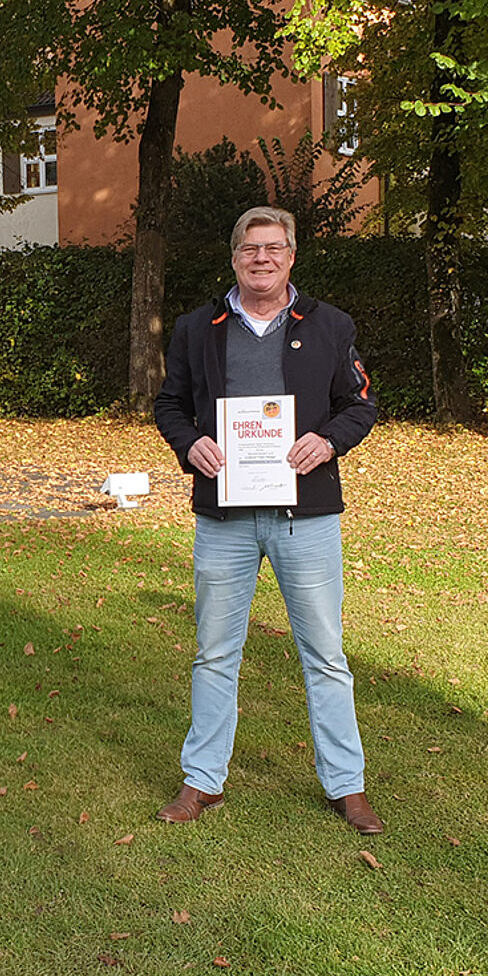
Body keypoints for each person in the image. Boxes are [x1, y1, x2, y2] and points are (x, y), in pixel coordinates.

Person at [153, 206, 383, 834]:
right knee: (214, 654)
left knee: (326, 655)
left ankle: (347, 785)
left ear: (291, 256)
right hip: (224, 519)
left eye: (274, 248)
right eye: (250, 248)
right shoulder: (198, 328)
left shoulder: (330, 325)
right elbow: (170, 403)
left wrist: (329, 441)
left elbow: (359, 403)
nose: (262, 259)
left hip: (303, 516)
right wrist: (189, 444)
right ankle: (203, 781)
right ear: (234, 257)